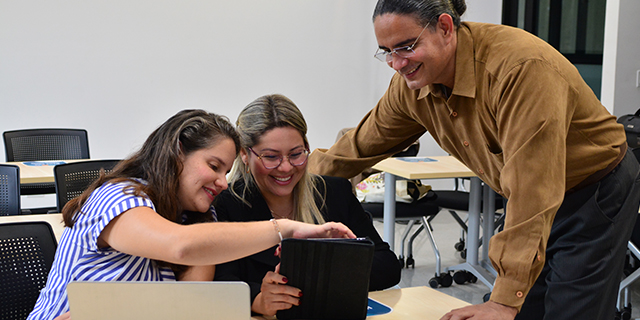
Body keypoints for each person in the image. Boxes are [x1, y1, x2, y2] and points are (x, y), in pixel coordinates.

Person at [307, 1, 640, 319]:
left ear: (445, 27)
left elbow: (533, 188)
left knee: (570, 308)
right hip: (531, 196)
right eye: (387, 52)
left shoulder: (520, 71)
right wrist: (279, 182)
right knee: (528, 308)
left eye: (406, 46)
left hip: (595, 188)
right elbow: (354, 150)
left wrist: (504, 303)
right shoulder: (411, 87)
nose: (397, 63)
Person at [28, 109, 355, 320]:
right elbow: (180, 246)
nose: (222, 183)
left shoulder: (198, 218)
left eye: (226, 172)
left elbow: (190, 307)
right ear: (177, 152)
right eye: (214, 166)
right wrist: (284, 228)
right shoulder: (118, 195)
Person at [213, 94, 401, 316]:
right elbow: (220, 282)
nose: (285, 167)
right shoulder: (225, 204)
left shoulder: (334, 192)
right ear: (244, 154)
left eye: (296, 154)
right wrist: (257, 300)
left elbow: (388, 266)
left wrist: (321, 266)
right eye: (271, 157)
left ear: (307, 147)